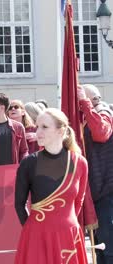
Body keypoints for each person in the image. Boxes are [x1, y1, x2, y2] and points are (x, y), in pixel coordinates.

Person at [14, 108, 88, 264]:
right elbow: (19, 205)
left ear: (61, 131)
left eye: (44, 127)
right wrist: (31, 231)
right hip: (36, 236)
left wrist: (64, 223)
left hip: (69, 236)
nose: (38, 131)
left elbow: (78, 202)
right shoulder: (28, 163)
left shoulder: (80, 162)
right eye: (37, 126)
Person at [79, 84, 113, 263]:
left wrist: (84, 102)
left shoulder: (104, 112)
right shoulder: (86, 115)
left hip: (106, 190)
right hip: (95, 190)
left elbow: (100, 133)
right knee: (99, 249)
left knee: (109, 249)